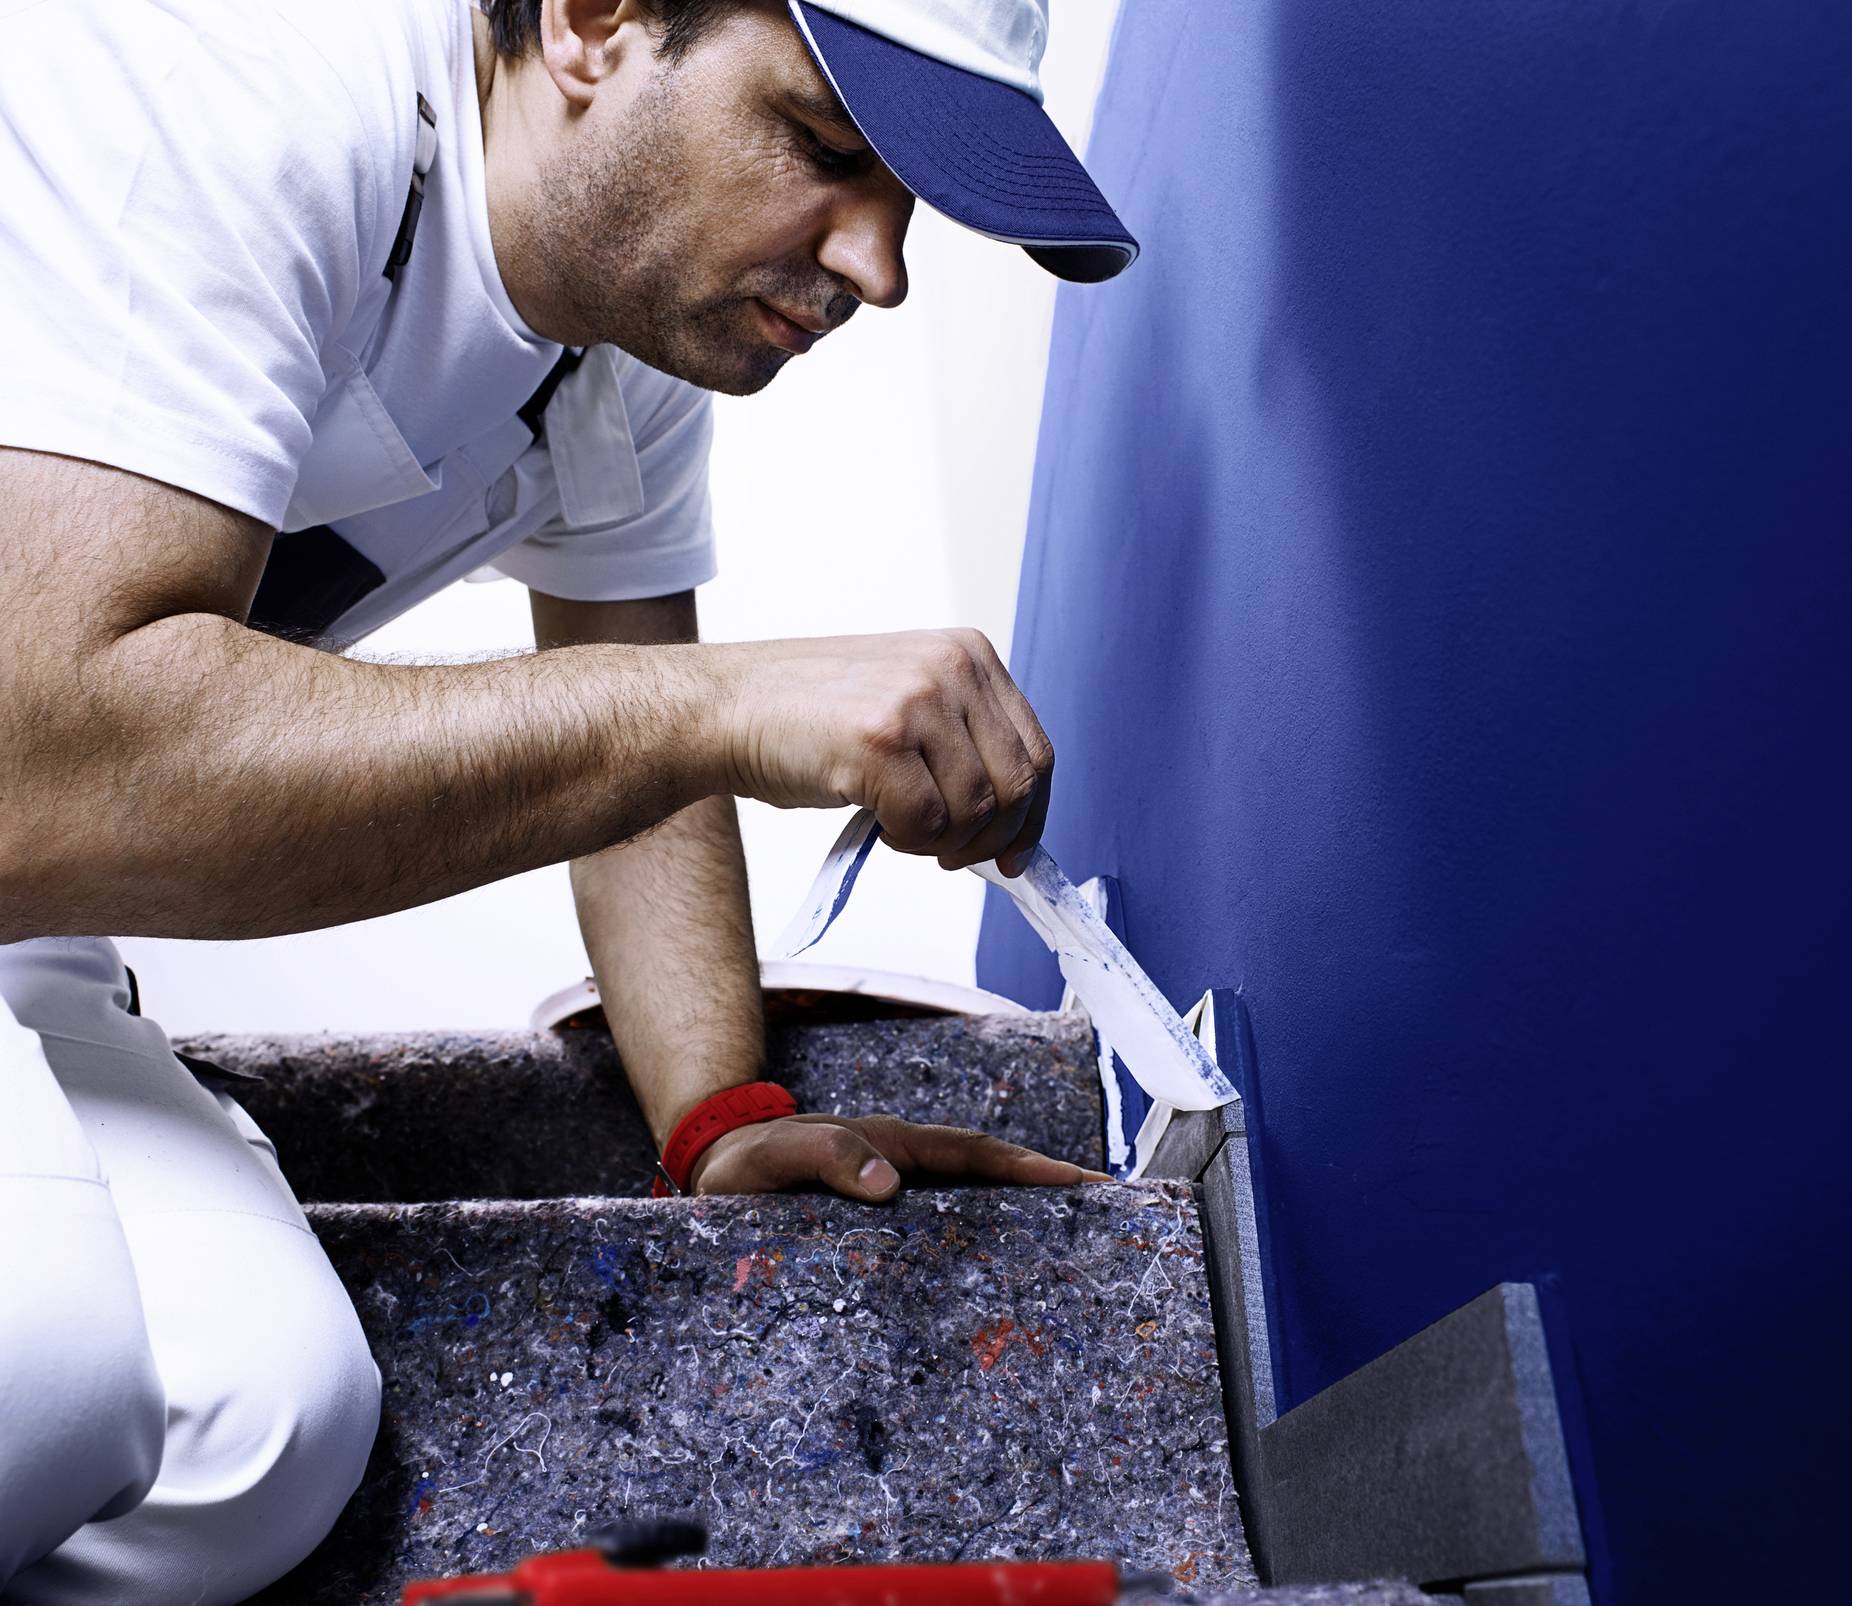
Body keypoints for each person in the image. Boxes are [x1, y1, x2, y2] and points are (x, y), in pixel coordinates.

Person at [0, 0, 1138, 1595]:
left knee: (267, 1427)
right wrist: (730, 703)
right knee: (49, 1359)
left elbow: (637, 760)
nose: (880, 266)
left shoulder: (623, 355)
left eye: (908, 203)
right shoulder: (239, 84)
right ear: (595, 22)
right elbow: (42, 770)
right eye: (823, 148)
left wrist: (720, 1114)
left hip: (26, 938)